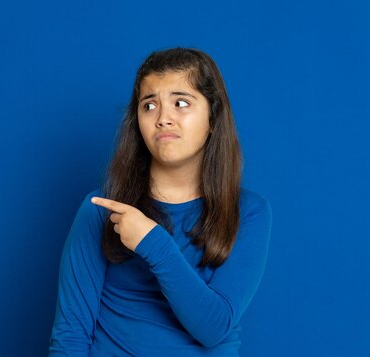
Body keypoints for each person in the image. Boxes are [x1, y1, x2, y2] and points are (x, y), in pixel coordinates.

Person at [48, 47, 273, 356]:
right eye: (150, 105)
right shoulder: (101, 210)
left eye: (181, 103)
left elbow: (214, 328)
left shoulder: (248, 212)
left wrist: (152, 243)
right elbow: (70, 336)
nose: (164, 118)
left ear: (212, 118)